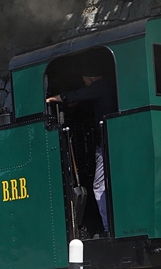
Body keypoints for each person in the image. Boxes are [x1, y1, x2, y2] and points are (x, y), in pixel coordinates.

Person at [47, 66, 118, 234]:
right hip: (115, 142)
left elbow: (77, 94)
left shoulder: (101, 86)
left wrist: (52, 99)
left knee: (100, 185)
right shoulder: (110, 87)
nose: (84, 84)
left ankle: (109, 228)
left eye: (85, 81)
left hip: (107, 145)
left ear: (91, 79)